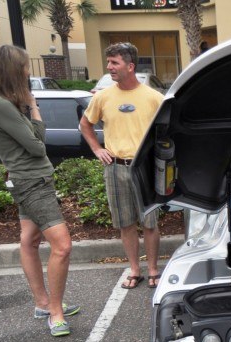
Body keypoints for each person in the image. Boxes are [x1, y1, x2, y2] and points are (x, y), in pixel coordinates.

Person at [0, 45, 80, 337]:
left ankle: (42, 303)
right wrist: (34, 108)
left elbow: (35, 139)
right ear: (12, 70)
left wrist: (28, 107)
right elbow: (37, 146)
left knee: (29, 240)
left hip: (28, 179)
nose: (28, 71)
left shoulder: (5, 104)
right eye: (24, 66)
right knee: (62, 246)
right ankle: (55, 313)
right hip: (32, 181)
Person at [80, 42, 164, 289]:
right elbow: (85, 125)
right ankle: (135, 269)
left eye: (114, 63)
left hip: (144, 168)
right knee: (125, 223)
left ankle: (152, 269)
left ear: (130, 66)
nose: (109, 67)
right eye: (109, 62)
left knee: (150, 222)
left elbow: (167, 131)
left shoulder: (154, 98)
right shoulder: (104, 97)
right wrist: (97, 149)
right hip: (115, 167)